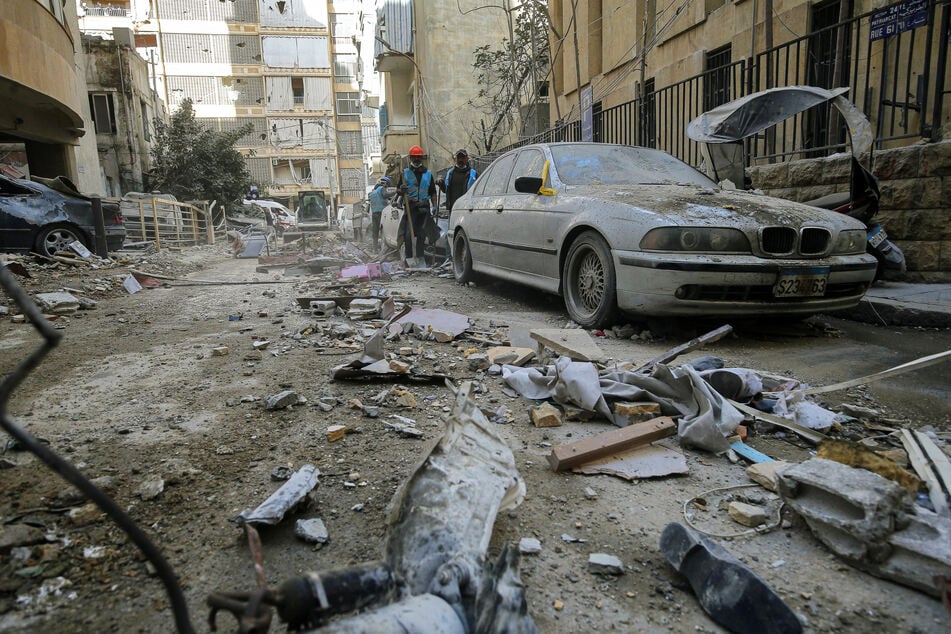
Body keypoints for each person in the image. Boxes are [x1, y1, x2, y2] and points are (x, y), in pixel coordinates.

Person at [395, 145, 437, 261]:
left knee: (422, 235)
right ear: (410, 158)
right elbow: (398, 191)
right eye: (414, 157)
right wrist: (401, 190)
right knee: (408, 235)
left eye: (418, 157)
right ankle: (409, 258)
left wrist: (435, 206)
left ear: (421, 158)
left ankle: (420, 257)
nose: (416, 159)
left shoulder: (428, 174)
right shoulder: (405, 173)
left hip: (424, 207)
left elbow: (433, 192)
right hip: (411, 208)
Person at [368, 176, 392, 250]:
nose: (387, 186)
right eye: (387, 185)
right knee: (384, 231)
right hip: (381, 212)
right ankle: (383, 248)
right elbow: (385, 195)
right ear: (385, 183)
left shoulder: (373, 191)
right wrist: (395, 192)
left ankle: (374, 249)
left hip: (374, 213)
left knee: (375, 231)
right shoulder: (382, 189)